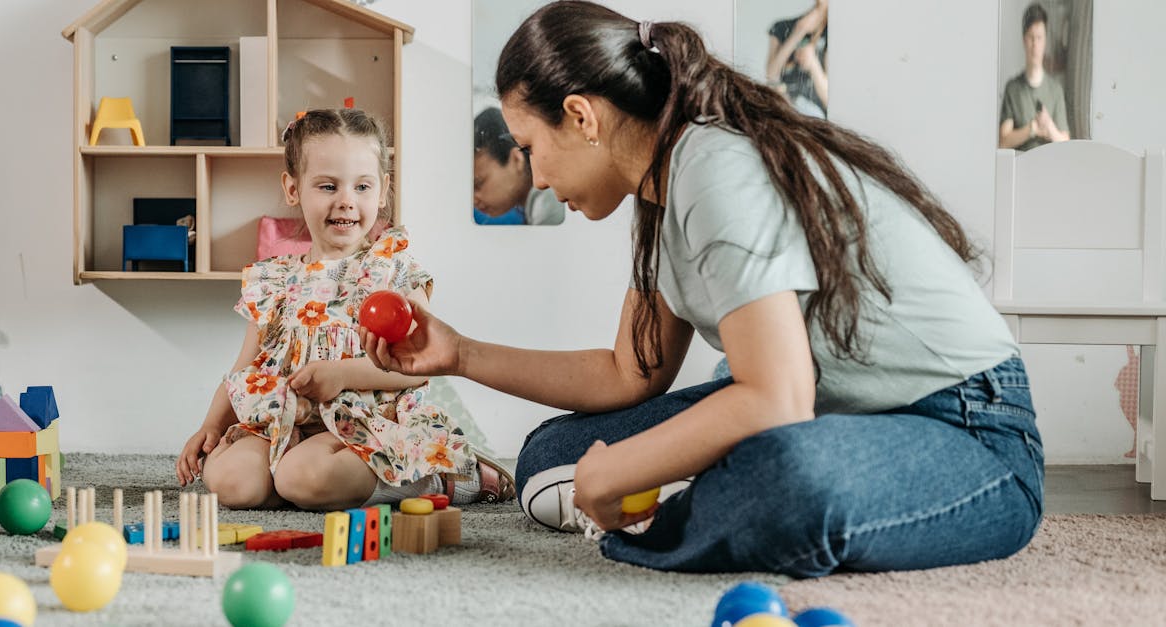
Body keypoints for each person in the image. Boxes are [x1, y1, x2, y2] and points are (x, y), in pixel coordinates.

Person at [364, 1, 1042, 577]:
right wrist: (458, 352)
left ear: (582, 116)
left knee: (784, 477)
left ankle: (690, 493)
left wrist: (620, 469)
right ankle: (693, 486)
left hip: (969, 429)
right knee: (549, 455)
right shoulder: (661, 188)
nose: (535, 178)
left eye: (531, 146)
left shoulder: (714, 169)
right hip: (834, 410)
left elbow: (776, 396)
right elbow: (628, 373)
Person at [175, 108, 514, 510]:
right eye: (328, 186)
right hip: (285, 423)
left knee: (304, 476)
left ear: (383, 190)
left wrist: (341, 374)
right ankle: (297, 482)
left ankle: (436, 476)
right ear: (292, 188)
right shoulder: (273, 280)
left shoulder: (394, 271)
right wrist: (211, 425)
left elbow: (420, 368)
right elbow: (244, 371)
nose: (347, 201)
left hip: (366, 425)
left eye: (362, 187)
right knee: (232, 483)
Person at [474, 107, 565, 225]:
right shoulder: (536, 207)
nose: (474, 200)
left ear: (517, 159)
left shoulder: (549, 205)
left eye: (478, 184)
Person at [999, 3, 1070, 151]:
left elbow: (1066, 143)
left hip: (1049, 168)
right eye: (1031, 37)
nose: (1035, 44)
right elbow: (1003, 141)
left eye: (1039, 38)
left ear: (1045, 41)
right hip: (1020, 168)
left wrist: (1049, 126)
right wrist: (1032, 128)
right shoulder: (1012, 88)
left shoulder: (1055, 90)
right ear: (1024, 40)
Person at [765, 0, 828, 118]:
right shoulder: (781, 27)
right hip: (785, 114)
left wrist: (813, 64)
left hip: (818, 120)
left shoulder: (834, 33)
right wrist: (798, 32)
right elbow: (771, 75)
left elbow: (828, 99)